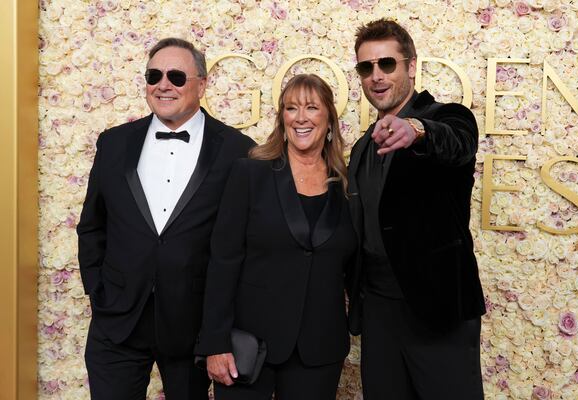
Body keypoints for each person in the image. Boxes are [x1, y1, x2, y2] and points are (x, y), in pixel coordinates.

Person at [77, 37, 255, 400]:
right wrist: (99, 292)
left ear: (202, 85)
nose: (163, 84)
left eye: (176, 76)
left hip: (192, 328)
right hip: (118, 323)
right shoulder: (113, 143)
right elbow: (92, 225)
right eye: (154, 75)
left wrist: (219, 329)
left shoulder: (238, 150)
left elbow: (242, 244)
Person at [347, 19, 486, 399]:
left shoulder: (446, 118)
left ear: (411, 66)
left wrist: (417, 130)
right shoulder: (361, 148)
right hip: (377, 312)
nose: (376, 76)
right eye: (366, 67)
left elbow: (458, 143)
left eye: (387, 64)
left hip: (436, 309)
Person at [195, 74, 357, 400]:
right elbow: (223, 261)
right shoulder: (249, 174)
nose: (300, 118)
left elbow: (356, 265)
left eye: (311, 108)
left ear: (329, 119)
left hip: (319, 348)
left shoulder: (349, 185)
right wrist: (214, 342)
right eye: (291, 108)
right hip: (247, 345)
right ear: (282, 118)